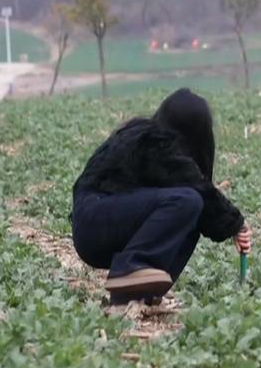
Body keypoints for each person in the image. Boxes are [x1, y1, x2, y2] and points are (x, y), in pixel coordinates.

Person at [71, 88, 251, 305]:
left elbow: (204, 204)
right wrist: (236, 224)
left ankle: (136, 295)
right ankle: (131, 267)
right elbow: (199, 189)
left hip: (98, 223)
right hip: (96, 222)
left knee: (194, 215)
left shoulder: (147, 139)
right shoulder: (155, 142)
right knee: (188, 201)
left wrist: (232, 226)